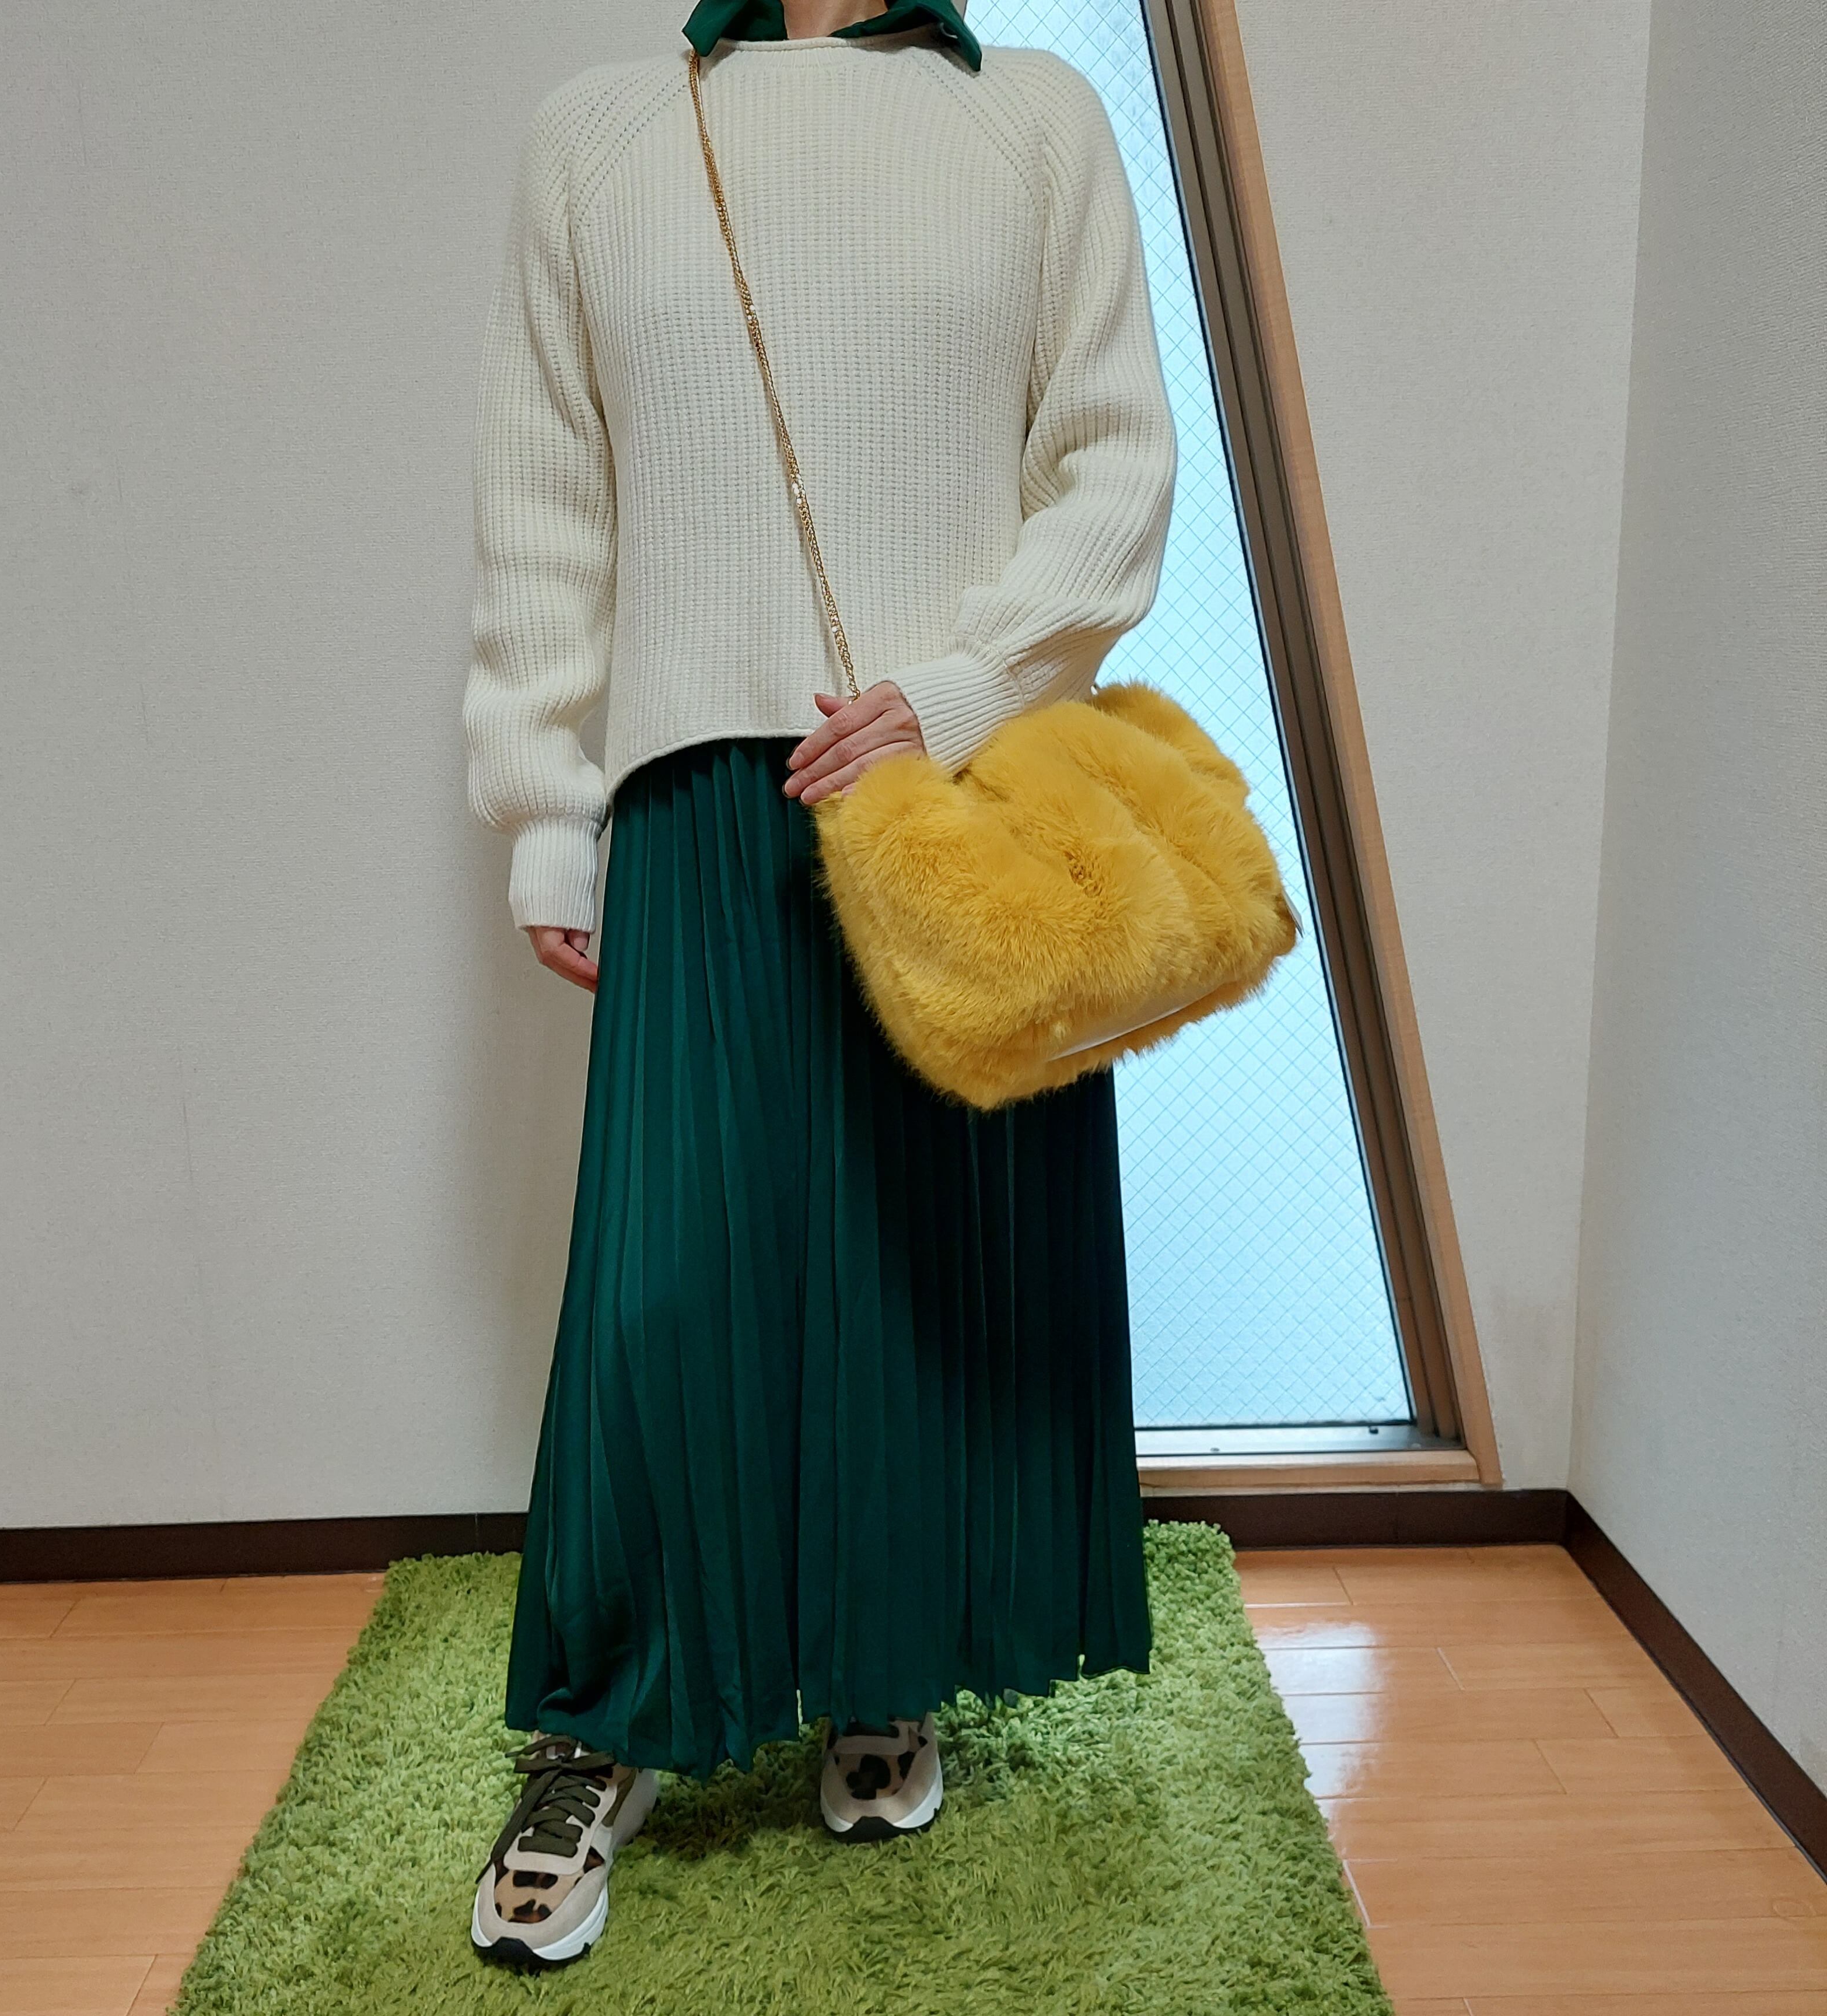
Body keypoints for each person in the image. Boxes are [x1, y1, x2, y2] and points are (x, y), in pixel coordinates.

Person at [461, 0, 1178, 1967]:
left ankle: (884, 1659)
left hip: (957, 790)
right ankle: (606, 1723)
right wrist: (546, 809)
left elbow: (1114, 461)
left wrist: (959, 689)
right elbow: (548, 492)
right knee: (668, 1288)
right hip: (699, 789)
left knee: (929, 1269)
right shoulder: (601, 134)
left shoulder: (1035, 121)